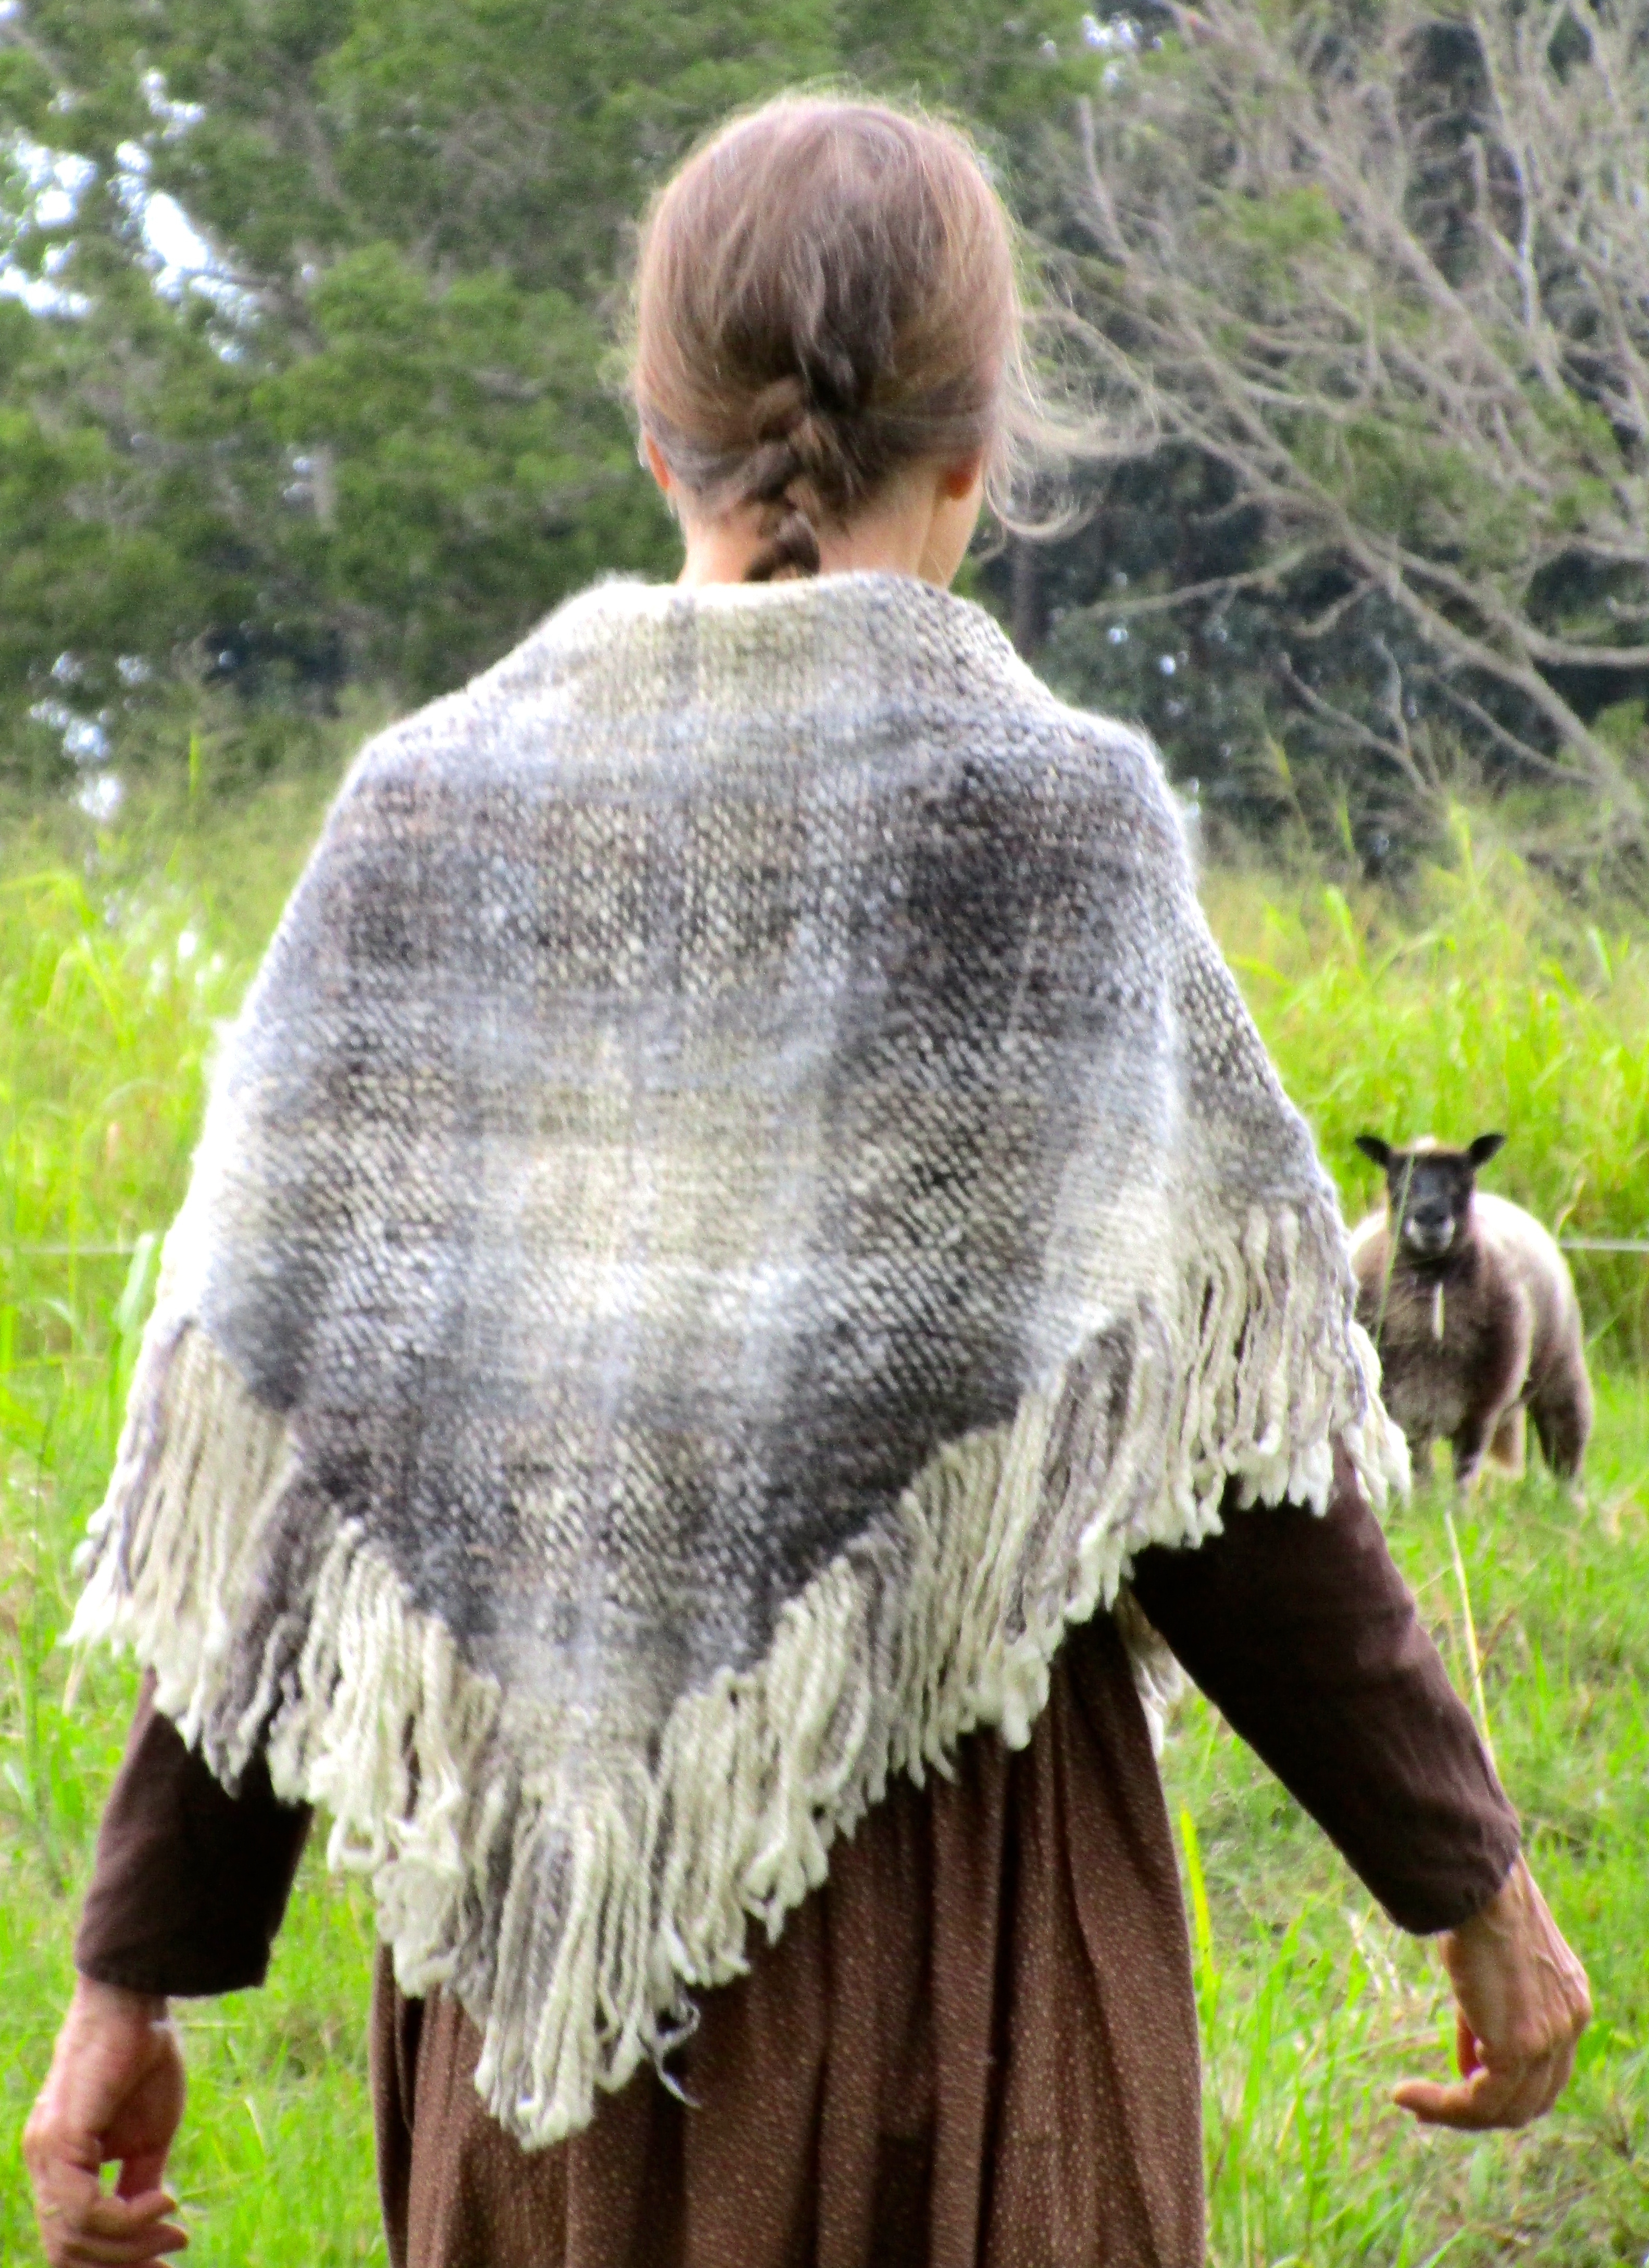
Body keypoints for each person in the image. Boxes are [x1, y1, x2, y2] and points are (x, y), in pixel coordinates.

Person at [27, 95, 1589, 2268]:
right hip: (957, 1989)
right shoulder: (1055, 836)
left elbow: (281, 1478)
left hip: (525, 2027)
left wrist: (135, 1979)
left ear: (660, 442)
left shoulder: (416, 829)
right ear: (981, 459)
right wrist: (1475, 1894)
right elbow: (1239, 1485)